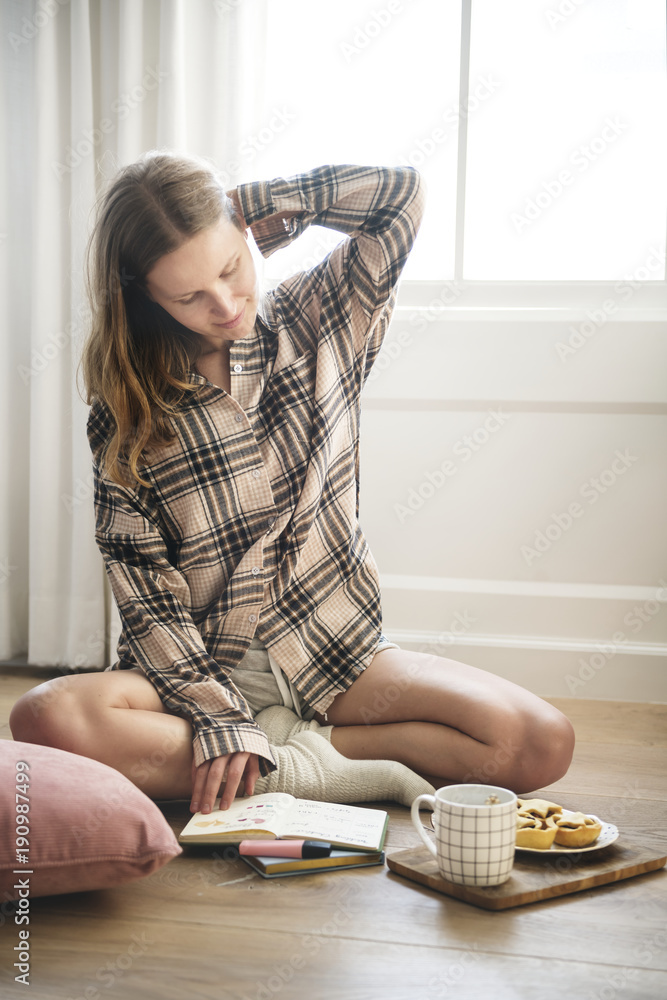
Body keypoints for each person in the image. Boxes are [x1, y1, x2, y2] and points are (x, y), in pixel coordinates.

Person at [10, 154, 575, 815]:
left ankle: (289, 753)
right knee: (47, 718)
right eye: (188, 296)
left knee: (537, 743)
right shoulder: (126, 405)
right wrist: (215, 711)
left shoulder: (325, 311)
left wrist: (261, 201)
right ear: (144, 295)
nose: (223, 305)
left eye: (229, 269)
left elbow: (399, 198)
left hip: (332, 646)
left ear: (246, 235)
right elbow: (142, 583)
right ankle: (323, 765)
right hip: (194, 672)